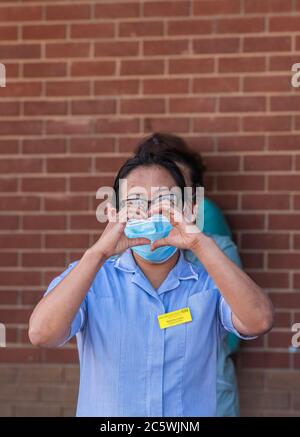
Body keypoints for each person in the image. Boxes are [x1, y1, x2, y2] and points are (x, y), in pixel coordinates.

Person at [28, 144, 274, 417]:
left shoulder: (209, 283)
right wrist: (99, 253)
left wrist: (198, 242)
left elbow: (259, 320)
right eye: (134, 204)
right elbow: (42, 334)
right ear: (113, 213)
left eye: (164, 202)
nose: (148, 213)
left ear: (190, 211)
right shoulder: (89, 277)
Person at [133, 133, 242, 416]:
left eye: (177, 189)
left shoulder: (211, 231)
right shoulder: (127, 252)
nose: (161, 204)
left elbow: (242, 326)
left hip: (207, 390)